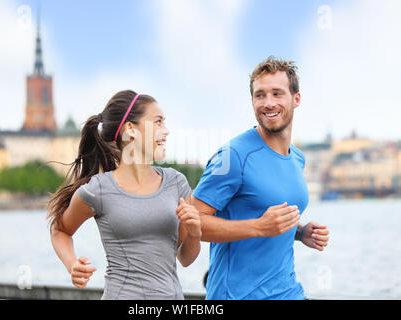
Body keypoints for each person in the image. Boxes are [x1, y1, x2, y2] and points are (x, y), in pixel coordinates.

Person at [191, 56, 330, 300]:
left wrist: (299, 232)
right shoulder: (232, 156)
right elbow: (191, 223)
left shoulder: (297, 157)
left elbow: (262, 212)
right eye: (260, 95)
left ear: (296, 99)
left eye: (277, 94)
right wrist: (258, 227)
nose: (268, 103)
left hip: (289, 292)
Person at [46, 90, 202, 300]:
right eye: (158, 122)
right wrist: (71, 263)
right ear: (130, 129)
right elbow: (60, 229)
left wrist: (194, 233)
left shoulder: (176, 183)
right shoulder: (98, 189)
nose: (166, 131)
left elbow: (185, 258)